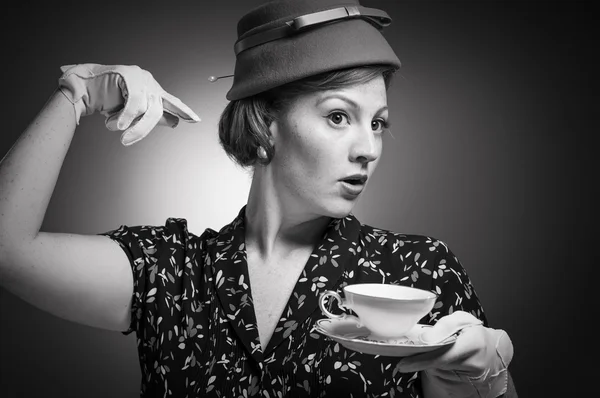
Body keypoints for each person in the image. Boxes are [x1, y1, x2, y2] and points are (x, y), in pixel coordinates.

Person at [0, 0, 516, 396]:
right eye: (339, 116)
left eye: (377, 123)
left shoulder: (417, 274)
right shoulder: (172, 272)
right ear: (266, 124)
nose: (368, 148)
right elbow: (8, 250)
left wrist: (484, 380)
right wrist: (78, 95)